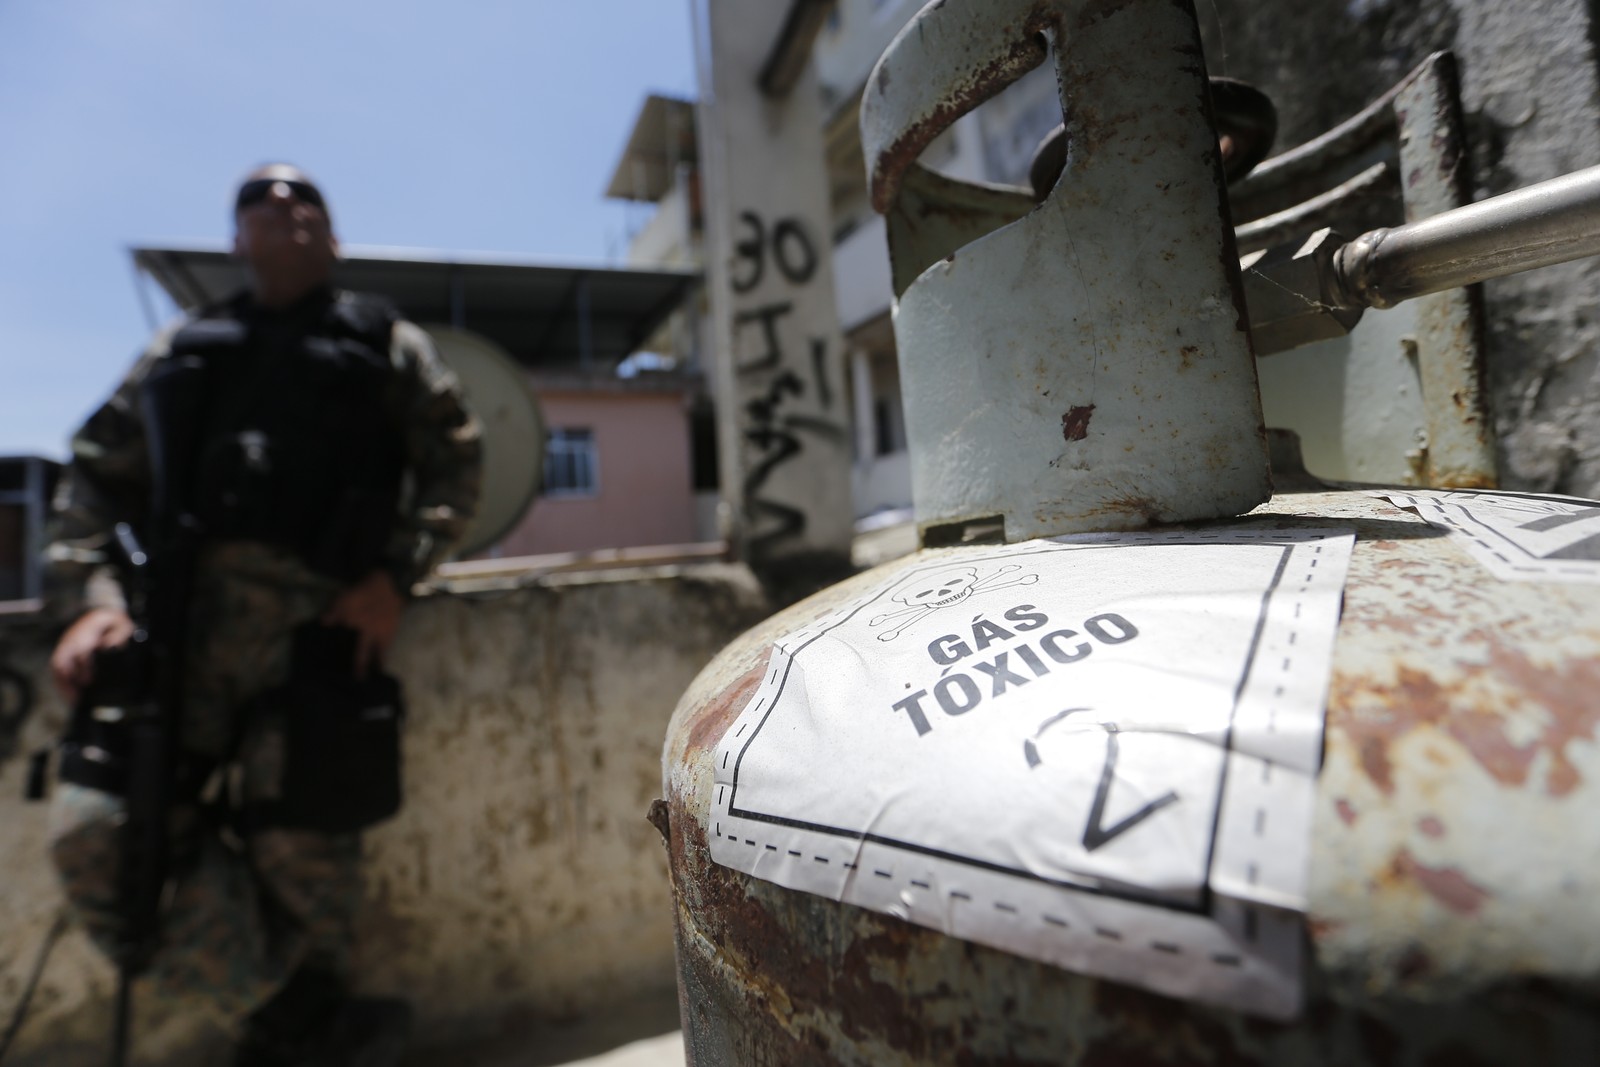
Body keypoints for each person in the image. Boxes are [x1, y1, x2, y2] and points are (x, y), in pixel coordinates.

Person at [44, 164, 482, 1066]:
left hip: (320, 643)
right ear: (236, 239)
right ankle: (286, 1012)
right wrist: (91, 602)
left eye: (303, 197)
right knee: (98, 836)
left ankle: (299, 1033)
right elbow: (92, 470)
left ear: (333, 237)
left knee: (310, 868)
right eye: (258, 199)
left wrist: (396, 577)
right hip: (181, 643)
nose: (281, 204)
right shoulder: (183, 348)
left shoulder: (386, 343)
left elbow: (459, 465)